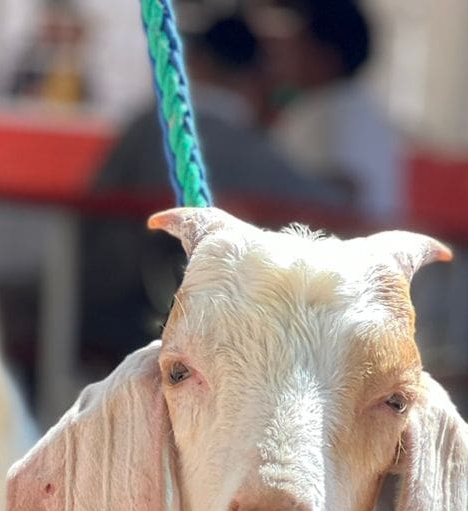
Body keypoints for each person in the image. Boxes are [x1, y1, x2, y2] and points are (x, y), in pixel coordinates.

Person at [81, 8, 336, 362]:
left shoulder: (145, 126)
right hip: (209, 336)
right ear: (256, 78)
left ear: (198, 61)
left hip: (103, 315)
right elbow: (332, 208)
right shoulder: (251, 149)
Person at [267, 0, 403, 221]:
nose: (282, 54)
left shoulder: (339, 112)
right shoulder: (339, 104)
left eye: (295, 42)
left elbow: (345, 192)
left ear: (324, 54)